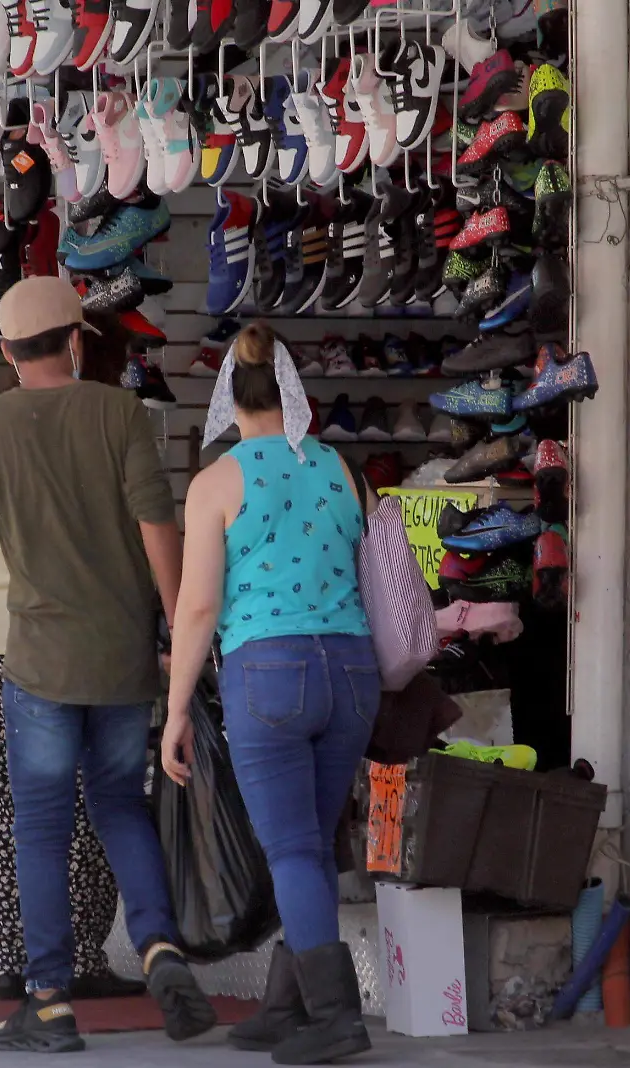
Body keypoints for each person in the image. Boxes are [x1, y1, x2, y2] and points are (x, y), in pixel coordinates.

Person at [0, 277, 214, 1053]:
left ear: (5, 352)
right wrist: (175, 636)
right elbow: (158, 528)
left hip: (38, 659)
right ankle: (161, 946)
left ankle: (50, 1002)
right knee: (119, 806)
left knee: (38, 827)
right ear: (77, 341)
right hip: (123, 655)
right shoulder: (122, 412)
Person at [163, 322, 379, 1065]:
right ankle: (286, 1008)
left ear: (229, 394)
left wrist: (175, 710)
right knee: (311, 845)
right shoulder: (342, 470)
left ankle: (335, 1014)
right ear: (295, 391)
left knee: (289, 848)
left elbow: (196, 607)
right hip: (352, 673)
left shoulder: (216, 482)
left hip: (269, 676)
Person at [0, 310, 145, 1002]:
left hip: (1, 637)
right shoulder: (115, 428)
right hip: (91, 642)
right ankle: (76, 956)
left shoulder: (0, 426)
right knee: (96, 812)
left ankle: (17, 955)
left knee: (14, 810)